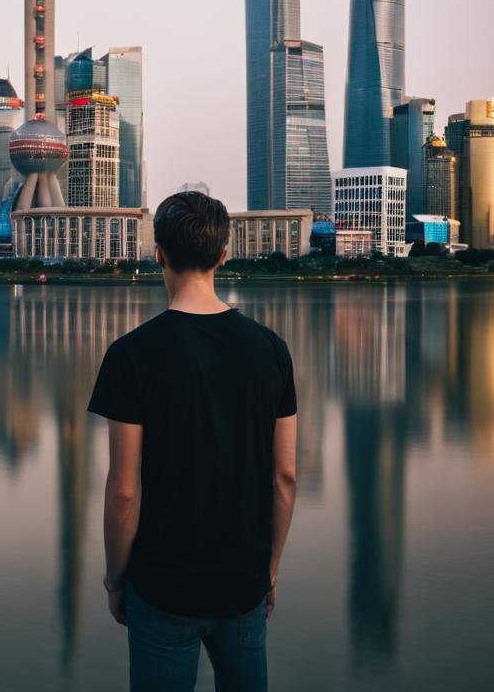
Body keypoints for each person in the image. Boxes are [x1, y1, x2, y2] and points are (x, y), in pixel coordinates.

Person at [87, 190, 298, 692]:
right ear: (223, 255)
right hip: (242, 581)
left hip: (161, 587)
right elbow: (284, 477)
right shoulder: (270, 349)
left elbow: (123, 491)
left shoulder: (130, 354)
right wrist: (268, 569)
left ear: (158, 251)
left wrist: (117, 580)